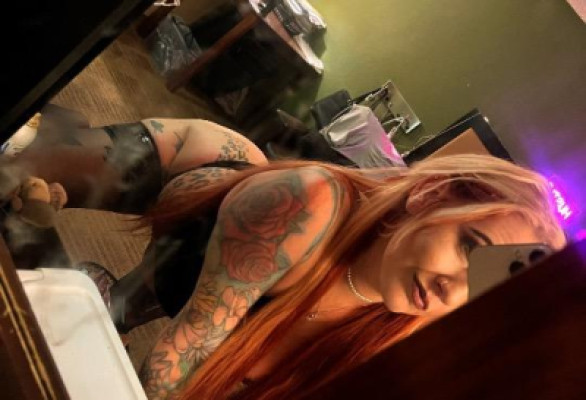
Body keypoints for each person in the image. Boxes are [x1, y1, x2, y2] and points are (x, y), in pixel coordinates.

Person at [2, 111, 566, 400]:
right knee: (18, 176)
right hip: (198, 177)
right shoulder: (310, 203)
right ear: (432, 196)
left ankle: (106, 290)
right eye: (469, 247)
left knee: (118, 311)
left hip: (207, 286)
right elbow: (177, 358)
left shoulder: (407, 326)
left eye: (483, 286)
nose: (453, 290)